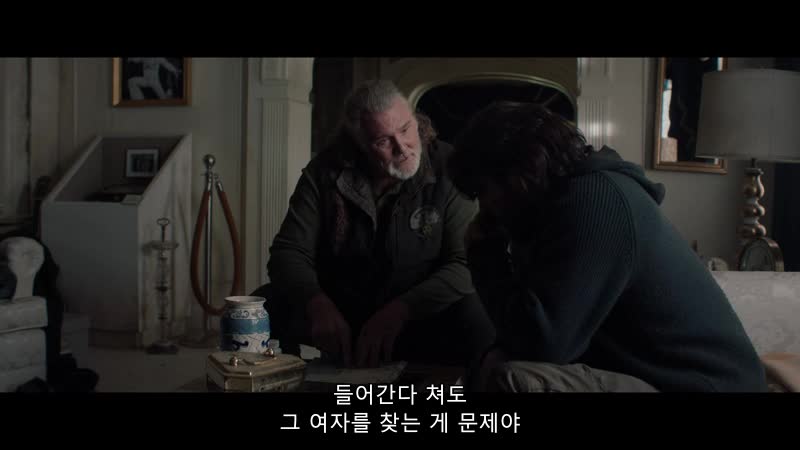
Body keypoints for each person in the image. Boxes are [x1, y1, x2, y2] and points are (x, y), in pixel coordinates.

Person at [447, 100, 768, 392]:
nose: (485, 206)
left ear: (517, 171)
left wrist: (485, 255)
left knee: (513, 379)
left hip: (700, 386)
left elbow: (543, 345)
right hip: (652, 375)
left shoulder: (594, 201)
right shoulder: (551, 209)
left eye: (483, 190)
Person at [255, 80, 495, 369]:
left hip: (420, 311)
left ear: (415, 119)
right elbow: (288, 252)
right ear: (359, 143)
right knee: (262, 305)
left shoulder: (448, 166)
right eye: (383, 141)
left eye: (406, 129)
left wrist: (402, 310)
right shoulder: (324, 171)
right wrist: (316, 302)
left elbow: (464, 263)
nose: (402, 148)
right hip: (343, 310)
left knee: (476, 313)